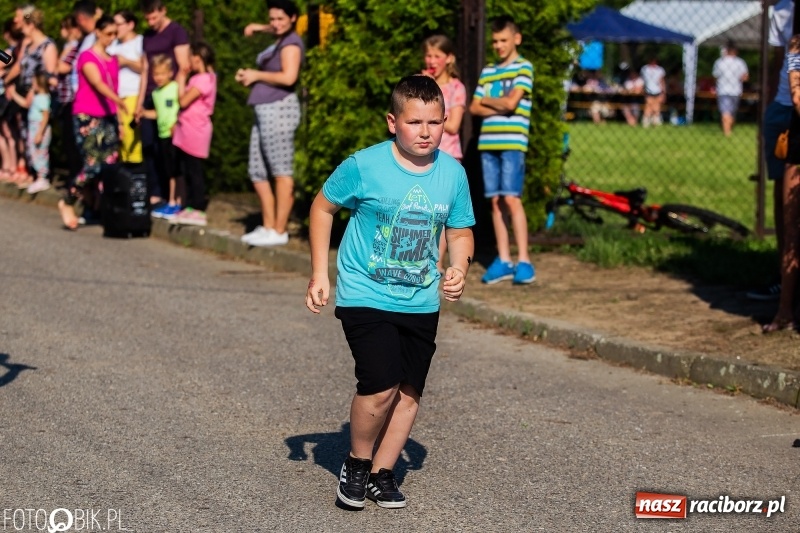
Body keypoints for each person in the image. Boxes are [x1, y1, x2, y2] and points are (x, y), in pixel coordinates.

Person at [305, 75, 475, 509]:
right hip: (365, 292)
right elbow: (322, 207)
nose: (425, 132)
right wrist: (319, 274)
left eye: (435, 122)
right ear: (392, 122)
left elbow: (459, 231)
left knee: (408, 391)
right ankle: (357, 463)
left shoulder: (452, 173)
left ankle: (383, 472)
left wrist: (459, 266)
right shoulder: (364, 165)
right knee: (380, 384)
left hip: (420, 298)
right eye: (414, 121)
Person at [468, 15, 535, 285]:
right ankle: (504, 259)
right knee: (495, 202)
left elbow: (512, 104)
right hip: (489, 144)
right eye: (495, 41)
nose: (498, 45)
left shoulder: (524, 68)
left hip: (512, 144)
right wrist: (500, 102)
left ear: (516, 39)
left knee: (511, 199)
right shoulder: (489, 71)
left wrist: (488, 100)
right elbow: (474, 107)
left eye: (503, 40)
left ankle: (525, 260)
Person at [237, 0, 304, 247]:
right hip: (263, 110)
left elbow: (289, 76)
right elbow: (277, 27)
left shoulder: (291, 44)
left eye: (280, 19)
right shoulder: (279, 36)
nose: (275, 23)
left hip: (280, 110)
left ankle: (279, 229)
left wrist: (256, 75)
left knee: (280, 170)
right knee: (257, 170)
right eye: (272, 18)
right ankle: (268, 225)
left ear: (293, 18)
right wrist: (260, 27)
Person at [58, 14, 126, 230]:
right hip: (87, 115)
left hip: (109, 116)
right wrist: (118, 101)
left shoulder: (113, 59)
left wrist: (121, 122)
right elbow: (97, 83)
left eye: (115, 34)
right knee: (92, 165)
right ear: (98, 32)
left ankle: (97, 207)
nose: (112, 38)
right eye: (108, 34)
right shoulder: (87, 57)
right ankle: (68, 200)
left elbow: (119, 83)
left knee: (110, 164)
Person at [748, 0, 794, 302]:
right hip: (785, 107)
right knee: (783, 194)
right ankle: (784, 276)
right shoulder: (783, 10)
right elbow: (779, 61)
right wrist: (770, 110)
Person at [134, 0, 190, 205]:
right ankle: (155, 192)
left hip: (168, 97)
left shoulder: (176, 32)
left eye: (154, 17)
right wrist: (140, 102)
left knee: (166, 148)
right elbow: (145, 69)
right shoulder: (147, 36)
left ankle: (172, 194)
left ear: (163, 11)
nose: (150, 22)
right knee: (149, 145)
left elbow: (184, 66)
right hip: (151, 95)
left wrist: (175, 100)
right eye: (147, 18)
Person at [421, 34, 466, 273]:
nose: (432, 60)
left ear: (449, 59)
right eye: (429, 55)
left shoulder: (457, 88)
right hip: (421, 156)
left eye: (437, 56)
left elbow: (453, 124)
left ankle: (437, 262)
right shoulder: (420, 82)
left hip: (447, 155)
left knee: (441, 212)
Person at [765, 34, 800, 333]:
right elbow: (797, 93)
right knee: (791, 231)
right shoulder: (796, 48)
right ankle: (785, 311)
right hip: (798, 146)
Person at [171, 42, 217, 227]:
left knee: (194, 170)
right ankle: (189, 205)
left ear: (197, 58)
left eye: (191, 57)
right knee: (187, 169)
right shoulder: (198, 78)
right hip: (186, 128)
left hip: (196, 129)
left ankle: (198, 208)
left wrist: (181, 77)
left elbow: (183, 101)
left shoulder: (205, 79)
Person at [144, 55, 181, 219]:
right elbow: (159, 113)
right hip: (162, 134)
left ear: (170, 73)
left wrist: (177, 124)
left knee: (175, 169)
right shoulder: (156, 93)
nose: (158, 77)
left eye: (162, 74)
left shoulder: (175, 87)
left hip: (175, 134)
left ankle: (175, 202)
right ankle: (170, 200)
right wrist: (144, 113)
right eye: (156, 74)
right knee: (167, 168)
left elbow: (181, 106)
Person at [5, 71, 50, 193]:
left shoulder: (43, 98)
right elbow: (25, 103)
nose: (32, 84)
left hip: (39, 128)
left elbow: (45, 116)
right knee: (33, 152)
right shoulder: (35, 96)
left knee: (40, 153)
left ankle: (42, 177)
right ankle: (37, 176)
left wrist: (40, 133)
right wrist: (13, 93)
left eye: (34, 83)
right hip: (33, 127)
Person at [108, 9, 143, 164]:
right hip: (115, 98)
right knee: (119, 140)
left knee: (132, 138)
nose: (115, 28)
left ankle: (138, 180)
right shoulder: (113, 45)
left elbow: (147, 68)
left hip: (133, 95)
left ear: (130, 24)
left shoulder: (139, 41)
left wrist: (127, 62)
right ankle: (125, 181)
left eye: (118, 24)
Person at [54, 15, 83, 186]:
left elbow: (60, 67)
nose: (62, 32)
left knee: (73, 144)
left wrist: (63, 53)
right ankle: (74, 179)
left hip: (73, 99)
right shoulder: (70, 47)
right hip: (65, 99)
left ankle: (77, 181)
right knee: (68, 143)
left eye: (65, 28)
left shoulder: (74, 48)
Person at [712, 41, 749, 137]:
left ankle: (727, 131)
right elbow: (745, 77)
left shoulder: (719, 62)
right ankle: (727, 132)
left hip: (723, 89)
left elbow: (715, 76)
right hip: (736, 90)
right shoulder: (740, 62)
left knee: (725, 111)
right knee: (732, 111)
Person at [640, 56, 665, 127]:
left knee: (657, 106)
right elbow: (643, 80)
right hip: (648, 90)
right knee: (648, 106)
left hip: (657, 90)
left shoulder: (660, 70)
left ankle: (655, 121)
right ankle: (646, 121)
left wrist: (663, 92)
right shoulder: (645, 69)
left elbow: (662, 81)